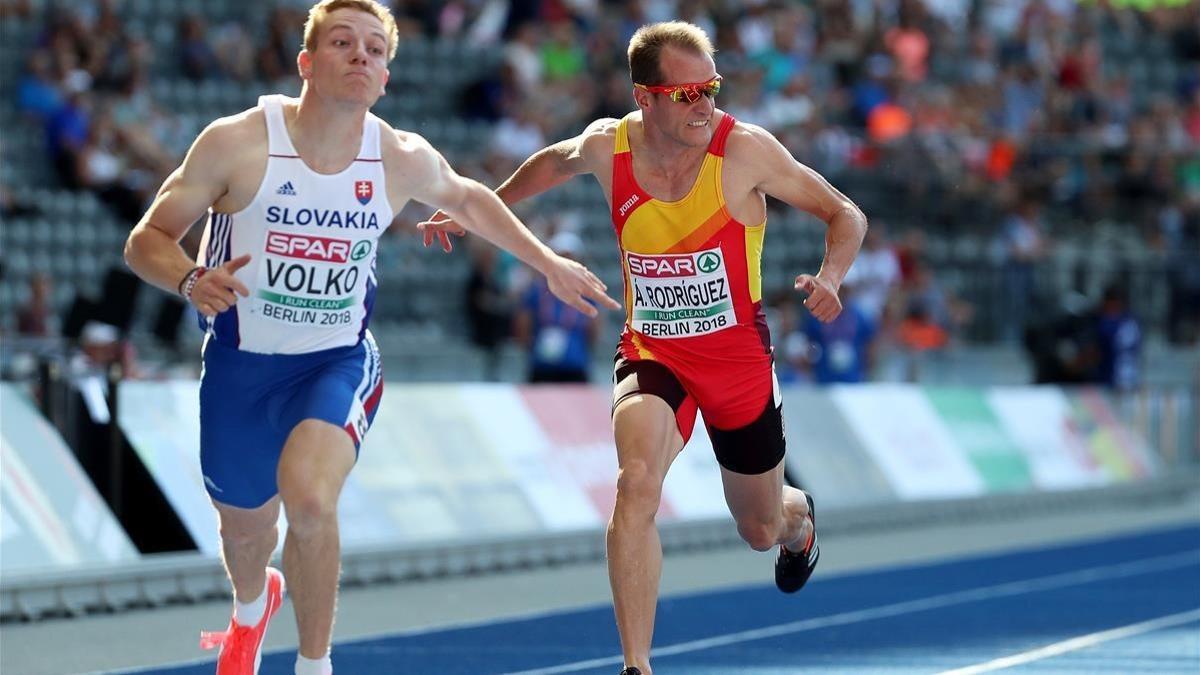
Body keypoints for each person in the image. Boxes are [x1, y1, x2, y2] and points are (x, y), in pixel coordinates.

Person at [122, 2, 618, 674]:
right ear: (306, 62)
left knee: (309, 496)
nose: (362, 56)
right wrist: (189, 279)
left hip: (336, 359)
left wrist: (549, 264)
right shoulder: (236, 143)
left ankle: (314, 662)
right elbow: (145, 240)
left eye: (377, 49)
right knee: (244, 532)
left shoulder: (395, 156)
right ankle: (250, 608)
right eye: (343, 42)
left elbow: (468, 198)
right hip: (240, 366)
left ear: (386, 76)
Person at [419, 21, 867, 674]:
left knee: (760, 528)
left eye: (710, 88)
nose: (705, 105)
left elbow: (845, 212)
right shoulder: (610, 145)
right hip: (654, 352)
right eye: (687, 94)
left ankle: (799, 519)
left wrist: (830, 278)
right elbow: (553, 162)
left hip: (737, 365)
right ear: (646, 97)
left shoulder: (743, 151)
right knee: (634, 487)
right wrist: (477, 205)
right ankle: (637, 663)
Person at [514, 230, 601, 383]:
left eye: (570, 257)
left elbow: (594, 328)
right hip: (542, 366)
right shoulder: (537, 290)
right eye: (562, 257)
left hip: (575, 366)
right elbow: (523, 325)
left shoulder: (587, 293)